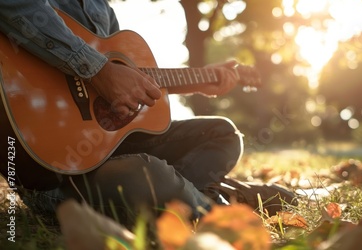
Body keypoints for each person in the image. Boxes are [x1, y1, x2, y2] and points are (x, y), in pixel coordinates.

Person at [0, 0, 296, 226]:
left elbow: (123, 83)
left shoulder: (99, 5)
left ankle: (199, 195)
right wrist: (98, 71)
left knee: (222, 133)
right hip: (54, 172)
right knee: (148, 174)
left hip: (105, 153)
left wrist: (197, 80)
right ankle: (226, 208)